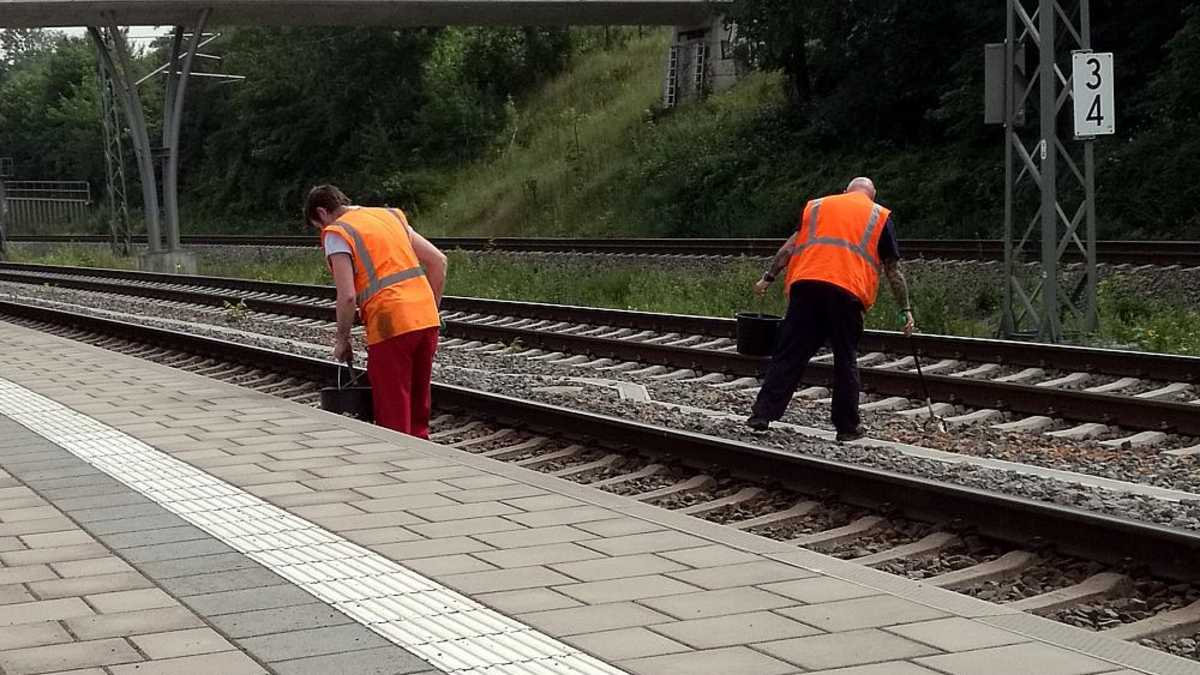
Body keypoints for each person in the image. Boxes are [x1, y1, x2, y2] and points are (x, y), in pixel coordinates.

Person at [746, 177, 914, 441]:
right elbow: (893, 269)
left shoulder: (818, 206)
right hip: (847, 293)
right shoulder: (879, 215)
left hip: (806, 286)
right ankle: (847, 428)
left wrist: (768, 277)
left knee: (789, 352)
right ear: (872, 196)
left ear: (845, 191)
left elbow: (789, 247)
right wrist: (905, 308)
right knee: (845, 359)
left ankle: (762, 414)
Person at [305, 185, 447, 439]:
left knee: (393, 409)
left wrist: (342, 340)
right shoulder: (390, 216)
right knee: (418, 405)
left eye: (318, 226)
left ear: (322, 213)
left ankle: (396, 458)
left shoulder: (337, 232)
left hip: (391, 322)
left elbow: (347, 296)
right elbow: (439, 261)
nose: (321, 231)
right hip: (426, 318)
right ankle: (422, 454)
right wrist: (429, 308)